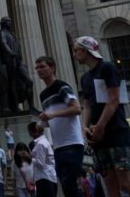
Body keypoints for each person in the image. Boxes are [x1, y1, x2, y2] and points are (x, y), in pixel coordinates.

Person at [72, 35, 130, 197]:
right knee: (111, 189)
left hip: (116, 132)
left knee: (126, 184)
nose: (74, 54)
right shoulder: (85, 78)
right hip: (98, 138)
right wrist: (84, 127)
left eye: (77, 50)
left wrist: (100, 126)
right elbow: (87, 105)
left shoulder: (107, 68)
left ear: (87, 50)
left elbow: (114, 99)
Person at [36, 55, 84, 197]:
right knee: (66, 185)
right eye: (37, 68)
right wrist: (42, 123)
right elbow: (51, 118)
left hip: (72, 142)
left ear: (52, 68)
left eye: (42, 66)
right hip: (58, 145)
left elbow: (77, 109)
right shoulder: (43, 94)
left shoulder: (61, 86)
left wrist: (53, 115)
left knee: (69, 185)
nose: (39, 70)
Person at [29, 122, 57, 197]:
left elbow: (40, 163)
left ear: (31, 132)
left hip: (44, 178)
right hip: (49, 177)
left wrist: (30, 158)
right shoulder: (44, 142)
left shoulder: (40, 144)